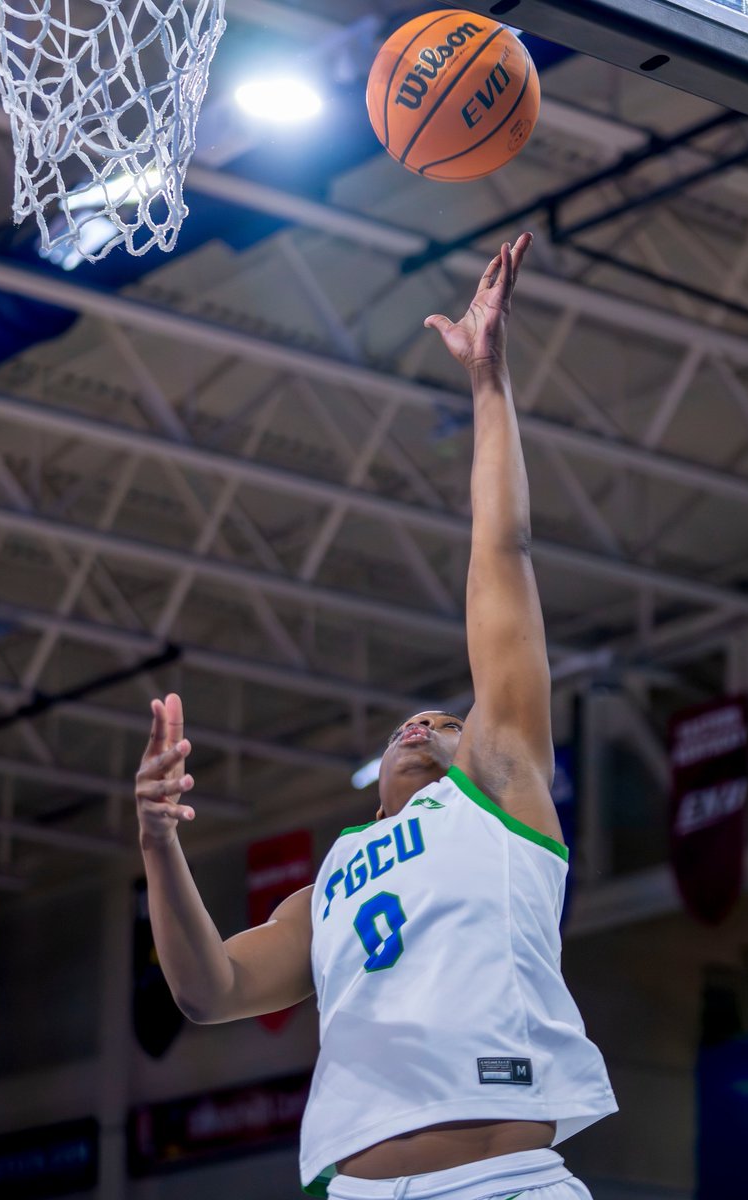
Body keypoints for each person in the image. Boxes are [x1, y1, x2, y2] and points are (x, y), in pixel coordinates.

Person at [134, 233, 617, 1200]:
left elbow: (503, 554)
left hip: (504, 1181)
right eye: (407, 723)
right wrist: (155, 842)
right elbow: (208, 990)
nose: (418, 725)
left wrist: (488, 387)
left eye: (444, 719)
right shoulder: (333, 881)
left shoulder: (505, 789)